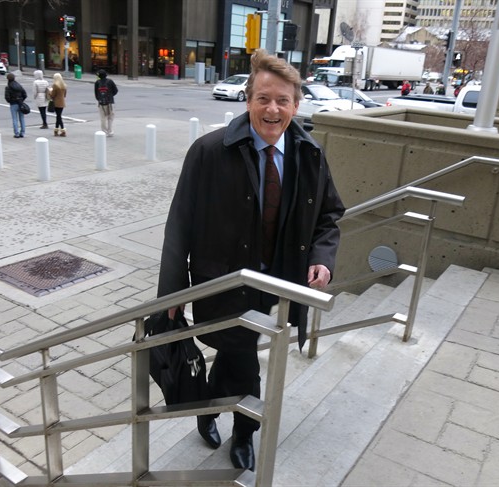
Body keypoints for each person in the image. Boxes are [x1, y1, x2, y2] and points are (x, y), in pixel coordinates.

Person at [157, 49, 345, 471]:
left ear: (296, 105)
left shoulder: (309, 154)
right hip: (222, 282)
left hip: (277, 283)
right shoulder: (209, 151)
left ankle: (209, 409)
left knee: (235, 350)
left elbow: (330, 214)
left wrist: (322, 258)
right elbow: (179, 224)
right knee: (243, 357)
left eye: (282, 100)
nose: (272, 110)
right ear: (248, 101)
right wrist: (171, 293)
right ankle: (243, 431)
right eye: (263, 99)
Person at [94, 69, 118, 136]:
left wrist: (99, 99)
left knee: (103, 117)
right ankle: (109, 131)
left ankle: (104, 131)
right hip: (110, 102)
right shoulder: (110, 81)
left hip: (101, 103)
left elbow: (96, 93)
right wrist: (111, 95)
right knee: (110, 117)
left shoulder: (97, 82)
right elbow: (116, 91)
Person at [4, 72, 27, 138]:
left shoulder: (8, 87)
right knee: (22, 118)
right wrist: (21, 100)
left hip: (13, 103)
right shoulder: (19, 86)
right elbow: (25, 94)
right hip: (20, 103)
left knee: (14, 119)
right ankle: (22, 132)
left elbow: (7, 97)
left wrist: (10, 101)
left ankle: (16, 133)